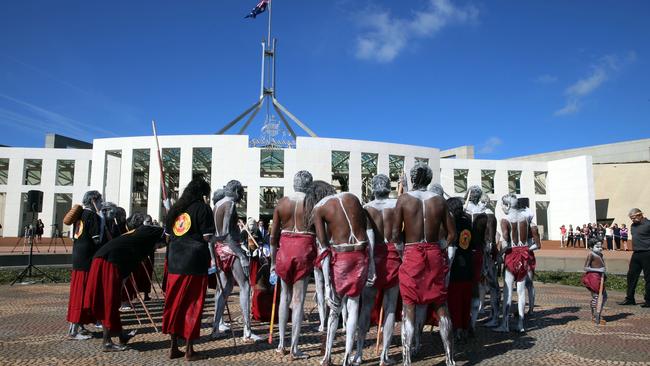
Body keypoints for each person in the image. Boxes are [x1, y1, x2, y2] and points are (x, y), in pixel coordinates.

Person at [391, 163, 456, 366]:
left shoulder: (404, 199)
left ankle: (407, 359)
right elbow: (452, 233)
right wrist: (441, 247)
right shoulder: (439, 200)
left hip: (411, 252)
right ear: (428, 179)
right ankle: (450, 358)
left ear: (412, 178)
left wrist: (403, 254)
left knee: (409, 305)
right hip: (435, 252)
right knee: (441, 304)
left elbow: (394, 234)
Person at [313, 184, 374, 366]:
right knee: (354, 305)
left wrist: (326, 286)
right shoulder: (352, 197)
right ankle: (348, 356)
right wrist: (372, 265)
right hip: (361, 253)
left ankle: (327, 356)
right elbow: (369, 231)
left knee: (334, 308)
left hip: (342, 256)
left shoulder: (319, 207)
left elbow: (323, 247)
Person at [84, 213, 163, 351]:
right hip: (107, 263)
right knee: (109, 302)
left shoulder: (138, 242)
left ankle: (121, 336)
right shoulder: (145, 232)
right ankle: (107, 342)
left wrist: (121, 283)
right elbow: (160, 231)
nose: (158, 248)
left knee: (113, 300)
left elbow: (128, 269)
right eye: (159, 245)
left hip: (107, 262)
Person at [162, 177, 215, 361]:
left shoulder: (175, 210)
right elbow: (208, 237)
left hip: (175, 261)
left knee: (175, 304)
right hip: (194, 262)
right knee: (192, 304)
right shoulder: (203, 208)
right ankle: (189, 350)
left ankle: (173, 346)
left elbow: (167, 236)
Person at [269, 171, 319, 359]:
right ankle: (294, 348)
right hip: (304, 248)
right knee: (298, 300)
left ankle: (282, 344)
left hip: (285, 249)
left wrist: (273, 261)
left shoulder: (282, 202)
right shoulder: (312, 204)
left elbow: (273, 237)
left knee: (284, 297)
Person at [355, 174, 402, 365]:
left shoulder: (366, 209)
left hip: (373, 257)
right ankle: (384, 355)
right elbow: (400, 235)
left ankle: (358, 353)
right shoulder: (396, 206)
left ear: (373, 187)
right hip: (392, 256)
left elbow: (364, 238)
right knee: (390, 308)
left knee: (366, 307)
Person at [211, 180, 261, 342]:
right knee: (245, 285)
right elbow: (226, 233)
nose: (242, 196)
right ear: (237, 191)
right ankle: (247, 331)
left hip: (219, 249)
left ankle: (215, 326)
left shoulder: (217, 204)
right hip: (231, 249)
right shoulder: (230, 204)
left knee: (225, 288)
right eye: (241, 193)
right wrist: (240, 255)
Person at [67, 190, 107, 340]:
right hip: (86, 260)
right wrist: (102, 220)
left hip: (78, 257)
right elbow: (97, 239)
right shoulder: (92, 216)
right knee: (81, 294)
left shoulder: (80, 214)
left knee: (80, 292)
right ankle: (74, 330)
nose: (102, 203)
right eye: (100, 200)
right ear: (93, 201)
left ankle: (80, 326)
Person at [495, 194, 532, 333]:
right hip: (524, 254)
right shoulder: (525, 219)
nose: (502, 207)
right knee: (521, 291)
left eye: (503, 205)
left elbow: (505, 239)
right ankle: (521, 324)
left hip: (512, 254)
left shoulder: (505, 220)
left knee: (508, 291)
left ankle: (505, 324)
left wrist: (499, 254)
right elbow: (529, 241)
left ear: (508, 205)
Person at [618, 208, 650, 307]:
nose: (632, 220)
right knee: (631, 276)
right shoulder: (633, 225)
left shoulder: (648, 224)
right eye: (631, 218)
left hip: (647, 253)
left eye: (634, 217)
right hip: (636, 253)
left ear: (640, 215)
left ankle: (648, 301)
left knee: (648, 278)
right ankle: (630, 299)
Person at [582, 241, 607, 324]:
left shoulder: (600, 255)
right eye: (597, 246)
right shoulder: (591, 254)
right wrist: (598, 270)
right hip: (593, 278)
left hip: (600, 277)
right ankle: (595, 315)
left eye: (601, 246)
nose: (600, 248)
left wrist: (603, 272)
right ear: (591, 247)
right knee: (596, 297)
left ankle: (598, 314)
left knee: (604, 296)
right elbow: (586, 268)